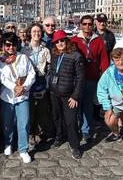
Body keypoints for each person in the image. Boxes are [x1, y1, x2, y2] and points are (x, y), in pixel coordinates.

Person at [0, 32, 36, 163]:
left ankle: (23, 149)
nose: (10, 47)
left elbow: (31, 74)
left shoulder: (23, 57)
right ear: (3, 45)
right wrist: (15, 87)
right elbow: (2, 78)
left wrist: (23, 87)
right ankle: (8, 143)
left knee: (23, 123)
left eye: (13, 44)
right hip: (7, 96)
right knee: (7, 123)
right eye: (7, 45)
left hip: (23, 96)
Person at [70, 15, 110, 142]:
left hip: (92, 78)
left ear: (93, 25)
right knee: (76, 105)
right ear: (81, 25)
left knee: (87, 105)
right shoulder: (74, 40)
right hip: (77, 79)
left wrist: (104, 78)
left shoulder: (98, 41)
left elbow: (104, 61)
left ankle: (85, 130)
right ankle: (76, 127)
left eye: (89, 24)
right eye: (85, 24)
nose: (87, 26)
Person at [48, 30, 85, 159]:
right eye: (57, 42)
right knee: (56, 117)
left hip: (69, 95)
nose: (60, 43)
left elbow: (81, 78)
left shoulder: (76, 56)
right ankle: (59, 137)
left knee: (71, 121)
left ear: (67, 41)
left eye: (62, 40)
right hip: (54, 93)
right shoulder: (54, 54)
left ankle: (75, 145)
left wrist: (75, 96)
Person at [21, 23, 52, 149]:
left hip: (40, 81)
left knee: (41, 110)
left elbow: (49, 68)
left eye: (39, 31)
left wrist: (47, 84)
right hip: (28, 82)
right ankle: (30, 134)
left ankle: (38, 132)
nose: (36, 34)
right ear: (30, 33)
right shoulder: (24, 50)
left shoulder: (45, 50)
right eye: (34, 31)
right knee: (29, 110)